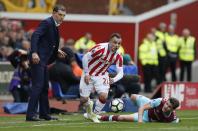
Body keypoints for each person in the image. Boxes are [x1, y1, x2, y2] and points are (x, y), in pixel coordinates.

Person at [26, 4, 67, 121]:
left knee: (44, 87)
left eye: (63, 15)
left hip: (43, 60)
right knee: (38, 86)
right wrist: (34, 52)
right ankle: (30, 115)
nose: (62, 17)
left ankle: (44, 114)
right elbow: (35, 36)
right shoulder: (47, 23)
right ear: (53, 13)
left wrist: (56, 50)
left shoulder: (53, 25)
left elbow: (46, 42)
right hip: (37, 59)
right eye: (60, 15)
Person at [80, 33, 124, 123]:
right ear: (109, 41)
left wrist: (113, 79)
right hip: (88, 73)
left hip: (102, 75)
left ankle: (94, 114)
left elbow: (121, 73)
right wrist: (87, 73)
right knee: (84, 99)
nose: (117, 45)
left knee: (103, 97)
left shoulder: (118, 55)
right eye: (115, 42)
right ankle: (89, 111)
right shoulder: (100, 48)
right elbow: (85, 57)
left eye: (119, 43)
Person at [99, 94, 180, 123]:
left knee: (122, 118)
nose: (166, 106)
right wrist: (140, 122)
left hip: (147, 118)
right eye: (167, 104)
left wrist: (141, 119)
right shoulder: (160, 101)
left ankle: (101, 117)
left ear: (173, 110)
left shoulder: (171, 118)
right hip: (146, 105)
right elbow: (142, 108)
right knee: (133, 96)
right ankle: (135, 108)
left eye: (169, 107)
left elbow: (177, 120)